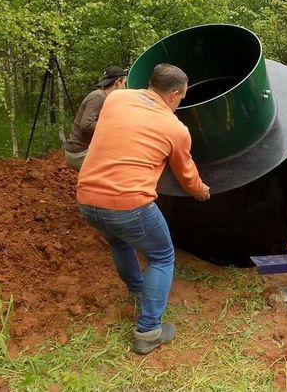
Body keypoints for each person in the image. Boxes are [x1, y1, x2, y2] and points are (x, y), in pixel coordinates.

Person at [76, 63, 211, 355]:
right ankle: (149, 331)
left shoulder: (116, 98)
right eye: (182, 98)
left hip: (88, 199)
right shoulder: (175, 128)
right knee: (162, 256)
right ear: (174, 95)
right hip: (128, 204)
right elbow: (187, 176)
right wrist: (202, 192)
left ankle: (140, 291)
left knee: (120, 242)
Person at [64, 66, 127, 170]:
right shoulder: (97, 97)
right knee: (118, 169)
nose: (125, 87)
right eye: (124, 83)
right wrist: (111, 132)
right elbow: (86, 125)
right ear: (118, 82)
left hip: (87, 150)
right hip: (79, 153)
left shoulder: (106, 98)